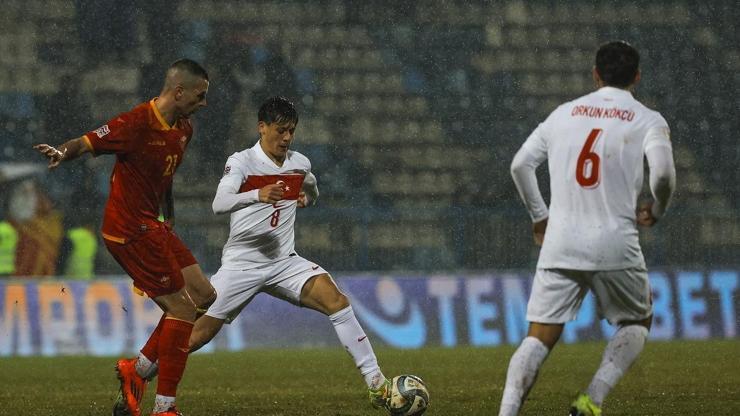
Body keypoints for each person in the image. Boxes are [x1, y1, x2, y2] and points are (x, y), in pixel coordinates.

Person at [132, 96, 395, 412]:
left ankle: (378, 385)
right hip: (242, 265)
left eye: (291, 131)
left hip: (285, 262)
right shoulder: (242, 161)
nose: (286, 138)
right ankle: (140, 372)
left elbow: (310, 186)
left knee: (337, 301)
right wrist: (257, 194)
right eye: (281, 130)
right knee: (193, 338)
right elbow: (220, 202)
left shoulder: (300, 163)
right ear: (262, 127)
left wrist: (307, 199)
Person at [500, 41, 676, 416]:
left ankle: (507, 412)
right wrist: (657, 208)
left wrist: (539, 216)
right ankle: (591, 400)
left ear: (595, 74)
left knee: (540, 336)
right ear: (637, 77)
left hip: (561, 241)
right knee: (638, 318)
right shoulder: (648, 118)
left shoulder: (562, 114)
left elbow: (520, 166)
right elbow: (661, 173)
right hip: (616, 239)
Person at [34, 58, 217, 416]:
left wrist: (170, 214)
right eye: (200, 94)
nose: (204, 102)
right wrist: (61, 152)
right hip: (127, 230)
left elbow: (165, 176)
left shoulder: (184, 128)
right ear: (179, 91)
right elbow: (87, 142)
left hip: (153, 224)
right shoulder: (137, 122)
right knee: (182, 308)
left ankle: (139, 370)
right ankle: (165, 408)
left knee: (204, 295)